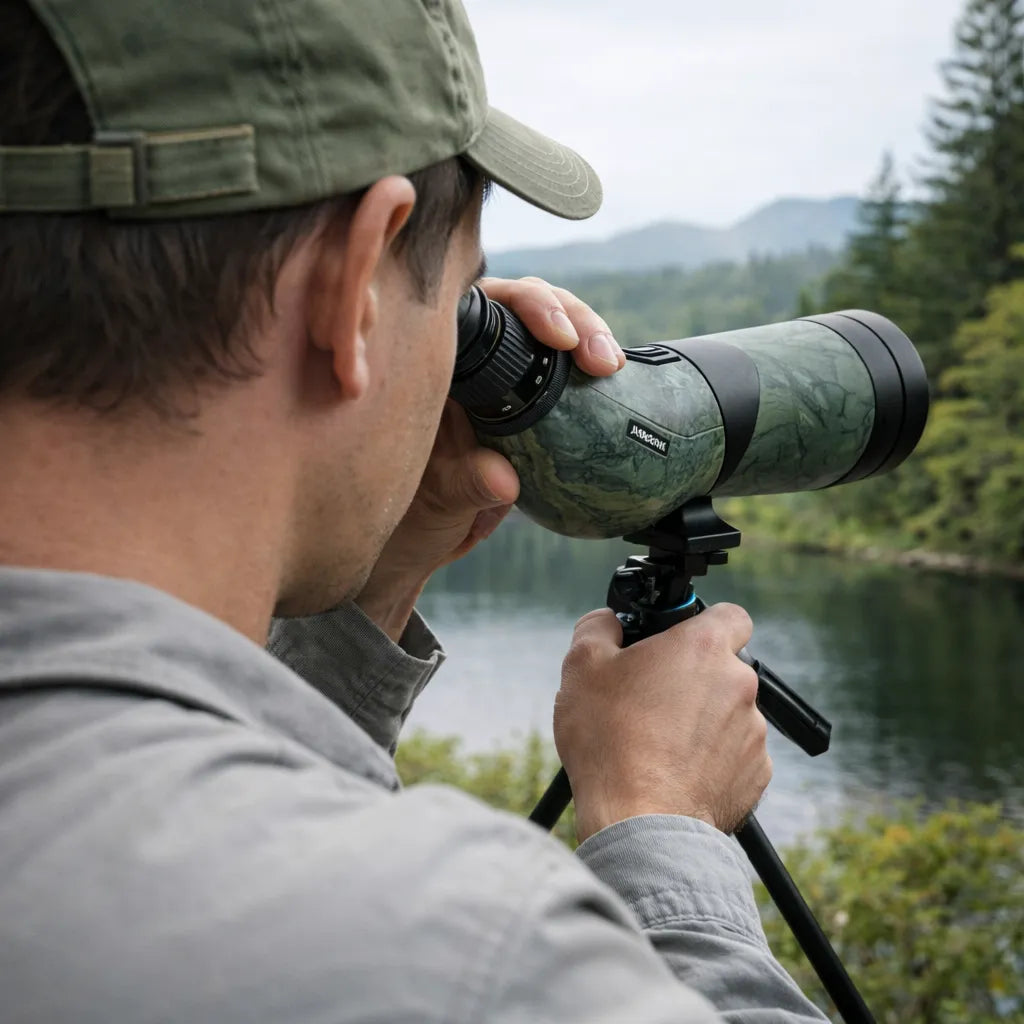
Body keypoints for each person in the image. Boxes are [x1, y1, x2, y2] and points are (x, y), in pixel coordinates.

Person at [0, 0, 828, 1020]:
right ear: (352, 287)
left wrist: (375, 578)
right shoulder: (470, 956)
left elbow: (172, 831)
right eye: (461, 293)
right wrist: (662, 821)